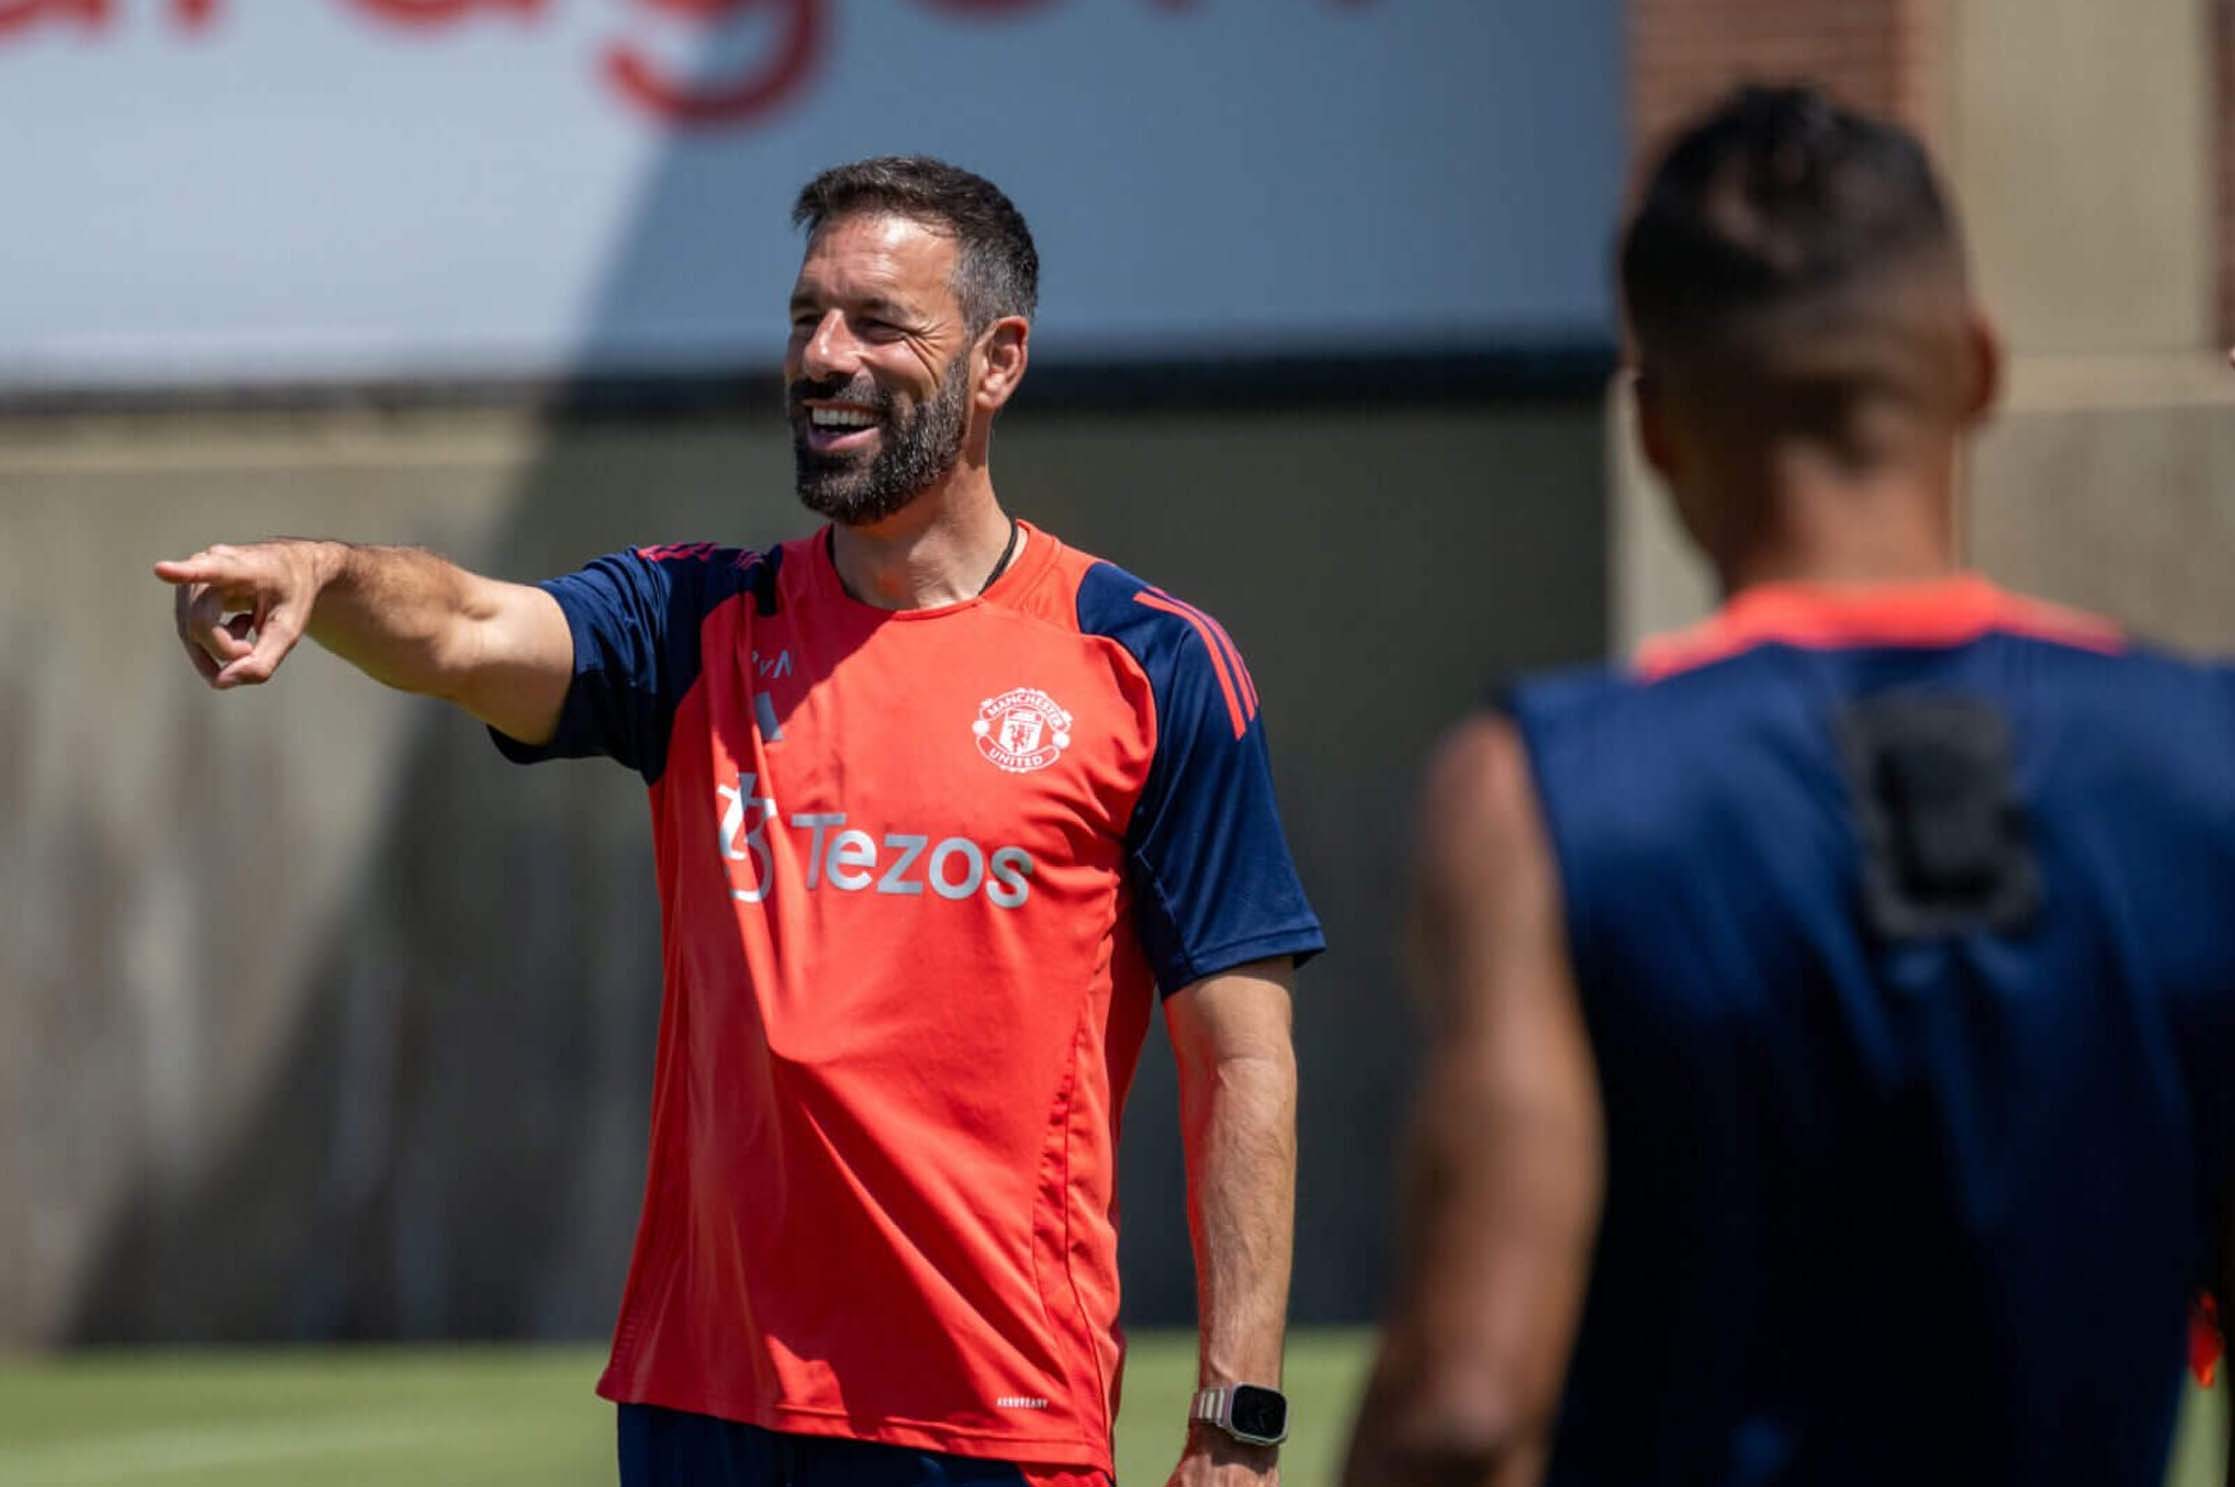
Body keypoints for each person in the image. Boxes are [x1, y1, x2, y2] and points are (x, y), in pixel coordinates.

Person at [155, 157, 1323, 1487]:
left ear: (998, 362)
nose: (823, 356)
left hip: (989, 1421)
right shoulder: (693, 626)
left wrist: (1236, 1429)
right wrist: (324, 575)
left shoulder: (1149, 664)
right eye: (805, 319)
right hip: (702, 1407)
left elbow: (1243, 1067)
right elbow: (471, 623)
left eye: (879, 324)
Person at [1340, 86, 2235, 1487]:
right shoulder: (2205, 766)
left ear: (1657, 431)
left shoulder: (1537, 797)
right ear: (1981, 369)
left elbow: (1463, 1412)